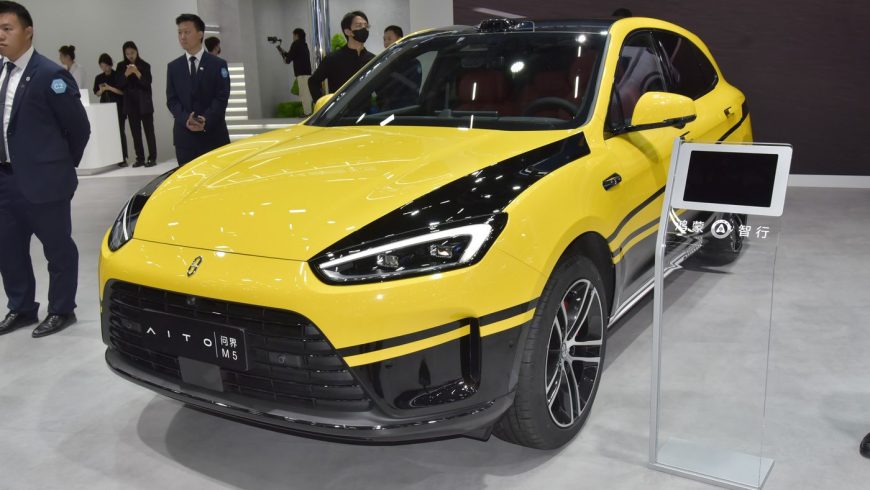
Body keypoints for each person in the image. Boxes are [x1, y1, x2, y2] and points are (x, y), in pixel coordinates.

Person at [0, 1, 90, 338]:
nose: (0, 35)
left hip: (45, 181)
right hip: (5, 180)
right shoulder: (1, 72)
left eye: (6, 29)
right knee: (8, 249)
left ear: (28, 31)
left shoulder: (51, 75)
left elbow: (79, 128)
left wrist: (60, 166)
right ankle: (21, 307)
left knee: (57, 247)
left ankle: (62, 309)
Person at [166, 13, 230, 166]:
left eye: (187, 32)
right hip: (185, 139)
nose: (182, 37)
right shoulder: (173, 67)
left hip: (213, 136)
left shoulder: (218, 64)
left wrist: (204, 119)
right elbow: (172, 100)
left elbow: (222, 97)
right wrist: (185, 119)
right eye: (180, 32)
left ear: (200, 34)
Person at [308, 10, 374, 102]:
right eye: (359, 25)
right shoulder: (333, 59)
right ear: (348, 31)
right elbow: (313, 82)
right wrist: (322, 104)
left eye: (366, 26)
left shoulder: (372, 59)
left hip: (365, 110)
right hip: (341, 110)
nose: (364, 29)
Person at [118, 41, 157, 167]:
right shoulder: (121, 66)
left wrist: (137, 72)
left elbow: (147, 83)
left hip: (144, 103)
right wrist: (126, 74)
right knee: (135, 133)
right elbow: (119, 84)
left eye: (132, 53)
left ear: (136, 51)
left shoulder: (145, 65)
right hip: (130, 104)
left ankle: (152, 158)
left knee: (149, 132)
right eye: (127, 53)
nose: (130, 56)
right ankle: (140, 158)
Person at [93, 53, 128, 166]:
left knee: (120, 132)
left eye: (106, 65)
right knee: (108, 133)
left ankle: (123, 158)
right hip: (104, 108)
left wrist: (109, 88)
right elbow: (97, 93)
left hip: (118, 107)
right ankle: (110, 158)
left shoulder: (117, 75)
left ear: (110, 64)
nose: (104, 68)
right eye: (102, 66)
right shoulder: (99, 78)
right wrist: (102, 90)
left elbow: (122, 92)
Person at [279, 28, 312, 115]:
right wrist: (283, 52)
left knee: (304, 94)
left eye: (293, 35)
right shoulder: (304, 44)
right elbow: (292, 55)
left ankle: (307, 113)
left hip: (301, 74)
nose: (292, 37)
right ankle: (308, 112)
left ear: (296, 35)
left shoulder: (296, 44)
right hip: (307, 72)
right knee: (306, 93)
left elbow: (288, 60)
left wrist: (283, 55)